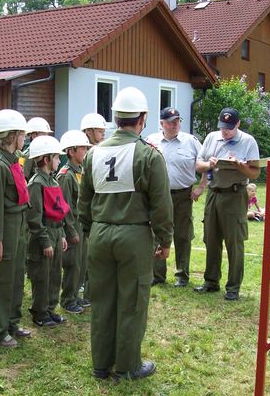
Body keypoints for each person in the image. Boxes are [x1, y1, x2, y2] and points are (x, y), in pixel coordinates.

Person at [78, 87, 173, 380]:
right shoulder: (148, 155)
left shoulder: (93, 154)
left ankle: (101, 365)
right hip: (133, 236)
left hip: (100, 233)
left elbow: (84, 202)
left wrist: (89, 231)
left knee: (102, 300)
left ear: (115, 118)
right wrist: (165, 240)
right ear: (142, 118)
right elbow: (161, 205)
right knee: (131, 302)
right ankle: (127, 366)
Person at [194, 107, 260, 301]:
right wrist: (209, 165)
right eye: (223, 127)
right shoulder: (211, 138)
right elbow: (199, 165)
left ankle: (233, 287)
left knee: (234, 242)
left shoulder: (248, 141)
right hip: (214, 193)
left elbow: (255, 173)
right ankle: (211, 282)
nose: (225, 131)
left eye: (229, 128)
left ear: (238, 124)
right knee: (211, 238)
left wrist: (240, 165)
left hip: (234, 194)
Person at [0, 109, 31, 348]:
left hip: (18, 227)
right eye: (22, 134)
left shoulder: (14, 161)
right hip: (5, 229)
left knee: (15, 277)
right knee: (1, 281)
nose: (25, 138)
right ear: (12, 136)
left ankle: (12, 322)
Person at [147, 107, 207, 288]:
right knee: (157, 233)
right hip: (158, 195)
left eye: (178, 121)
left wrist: (201, 187)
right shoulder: (151, 140)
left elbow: (206, 163)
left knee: (183, 235)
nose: (175, 124)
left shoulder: (191, 141)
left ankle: (182, 275)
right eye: (171, 121)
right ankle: (157, 275)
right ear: (161, 124)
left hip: (183, 195)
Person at [26, 135, 69, 327]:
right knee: (42, 275)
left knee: (54, 275)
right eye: (57, 157)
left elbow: (58, 210)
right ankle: (39, 311)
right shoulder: (36, 183)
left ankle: (50, 308)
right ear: (46, 159)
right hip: (43, 235)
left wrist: (62, 234)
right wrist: (45, 242)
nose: (59, 161)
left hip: (56, 232)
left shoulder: (52, 181)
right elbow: (34, 218)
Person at [57, 130, 92, 314]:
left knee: (81, 262)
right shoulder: (66, 175)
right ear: (71, 151)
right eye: (83, 148)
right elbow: (63, 207)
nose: (86, 151)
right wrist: (70, 231)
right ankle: (68, 299)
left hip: (81, 223)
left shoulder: (80, 172)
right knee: (72, 263)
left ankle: (75, 296)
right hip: (71, 225)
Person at [77, 112, 107, 307]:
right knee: (84, 254)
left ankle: (91, 288)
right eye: (99, 130)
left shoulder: (101, 150)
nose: (103, 133)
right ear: (88, 131)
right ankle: (83, 289)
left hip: (98, 207)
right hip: (85, 208)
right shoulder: (84, 152)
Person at [21, 117, 53, 181]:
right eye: (44, 134)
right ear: (34, 135)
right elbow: (23, 179)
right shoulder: (27, 155)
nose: (46, 137)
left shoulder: (47, 154)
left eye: (47, 134)